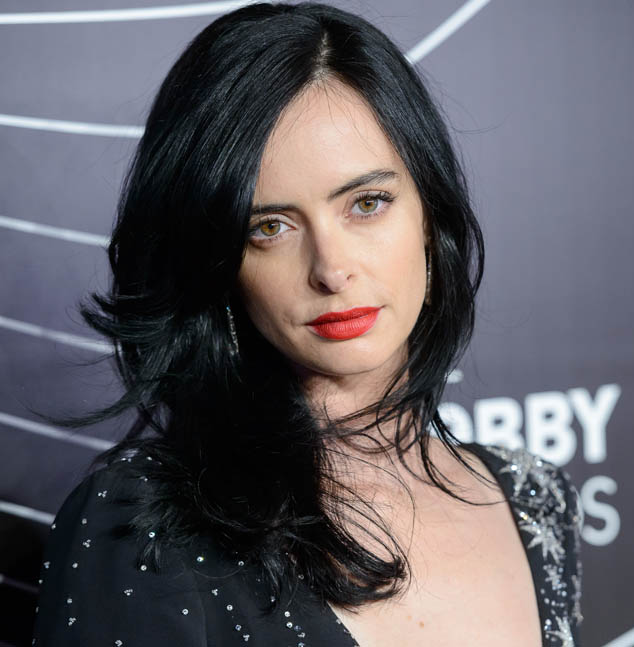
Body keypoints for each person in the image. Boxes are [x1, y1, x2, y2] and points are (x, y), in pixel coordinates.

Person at [31, 3, 583, 646]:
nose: (332, 269)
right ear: (217, 264)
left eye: (367, 203)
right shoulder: (143, 528)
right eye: (270, 227)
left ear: (430, 218)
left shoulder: (537, 500)